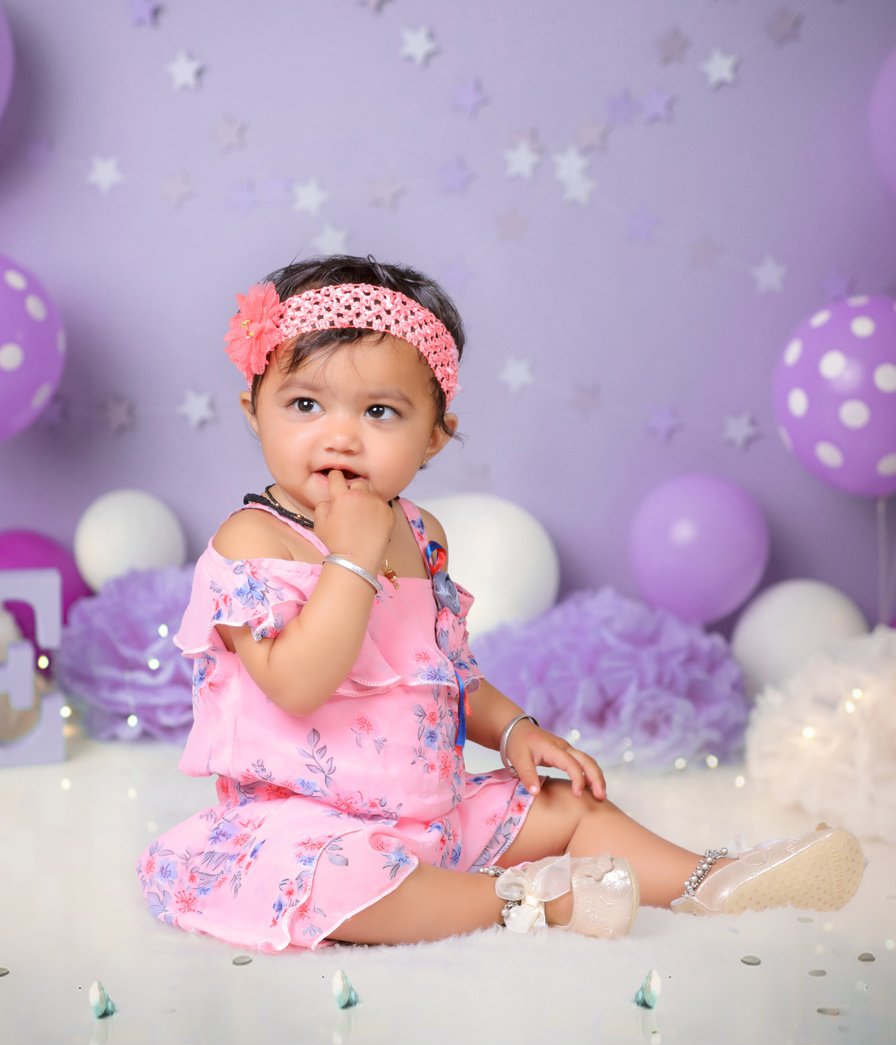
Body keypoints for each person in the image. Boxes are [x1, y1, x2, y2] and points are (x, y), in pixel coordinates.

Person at [137, 255, 867, 951]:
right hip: (303, 825)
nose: (340, 435)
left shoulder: (420, 534)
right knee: (327, 884)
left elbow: (445, 673)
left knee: (568, 806)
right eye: (304, 404)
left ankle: (716, 881)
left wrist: (515, 729)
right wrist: (351, 559)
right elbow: (296, 686)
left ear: (434, 438)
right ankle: (529, 898)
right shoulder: (253, 540)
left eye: (381, 412)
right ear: (253, 411)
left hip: (433, 812)